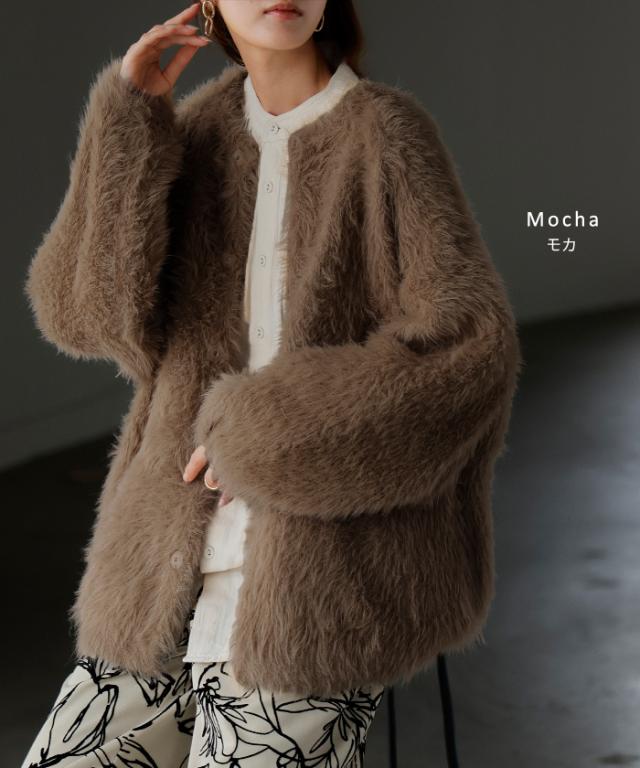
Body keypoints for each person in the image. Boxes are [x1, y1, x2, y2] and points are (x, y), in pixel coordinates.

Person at [21, 1, 522, 766]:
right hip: (157, 572)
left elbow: (467, 349)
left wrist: (266, 438)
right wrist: (130, 122)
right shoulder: (191, 133)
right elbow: (86, 318)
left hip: (316, 593)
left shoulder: (385, 133)